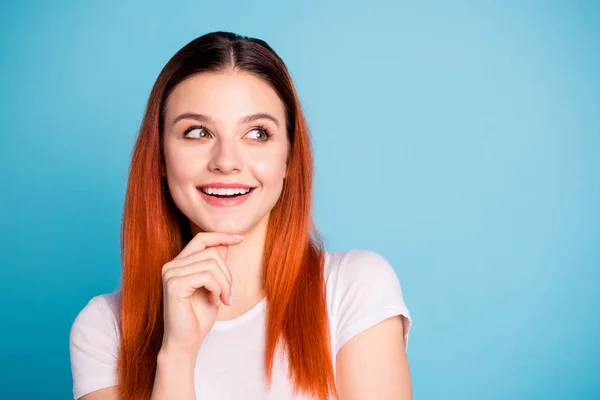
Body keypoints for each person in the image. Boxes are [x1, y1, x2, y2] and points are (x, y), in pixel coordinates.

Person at [69, 31, 413, 400]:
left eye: (257, 133)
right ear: (160, 158)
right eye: (198, 132)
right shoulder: (104, 328)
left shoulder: (354, 288)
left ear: (289, 158)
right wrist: (176, 355)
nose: (226, 162)